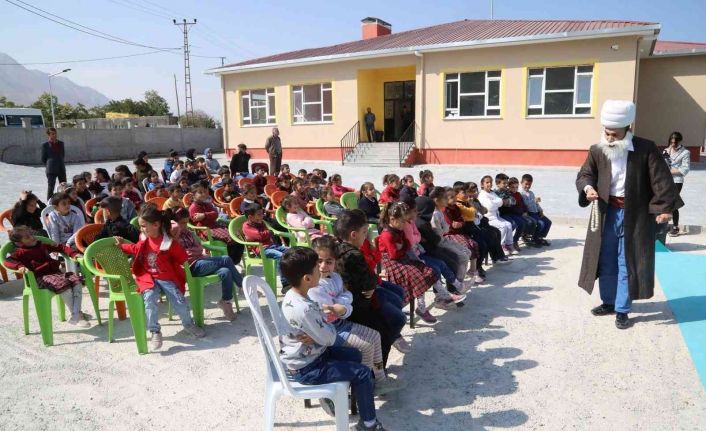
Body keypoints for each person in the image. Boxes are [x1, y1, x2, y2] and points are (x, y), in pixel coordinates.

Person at [576, 100, 683, 330]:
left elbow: (661, 180)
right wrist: (587, 188)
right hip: (606, 212)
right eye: (607, 133)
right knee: (605, 260)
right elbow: (585, 174)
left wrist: (664, 208)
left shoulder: (646, 148)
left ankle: (622, 309)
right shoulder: (597, 149)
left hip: (635, 214)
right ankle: (608, 301)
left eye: (614, 134)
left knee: (627, 261)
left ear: (627, 129)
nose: (610, 138)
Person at [278, 247, 387, 431]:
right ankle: (369, 424)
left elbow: (322, 328)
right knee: (362, 372)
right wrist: (321, 328)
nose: (320, 269)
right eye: (316, 267)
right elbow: (329, 336)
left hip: (312, 354)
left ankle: (349, 398)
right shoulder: (305, 308)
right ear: (307, 278)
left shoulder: (293, 295)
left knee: (357, 355)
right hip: (307, 367)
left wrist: (317, 331)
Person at [308, 236, 402, 394]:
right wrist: (342, 304)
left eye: (329, 262)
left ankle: (379, 380)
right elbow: (332, 309)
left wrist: (342, 304)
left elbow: (346, 298)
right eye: (319, 261)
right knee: (366, 346)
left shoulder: (336, 278)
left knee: (375, 336)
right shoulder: (314, 286)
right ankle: (363, 386)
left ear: (336, 262)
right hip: (329, 330)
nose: (323, 266)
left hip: (340, 322)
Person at [115, 204, 206, 351]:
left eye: (144, 226)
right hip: (148, 278)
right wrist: (122, 245)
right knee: (149, 300)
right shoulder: (144, 240)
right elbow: (135, 248)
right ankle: (155, 331)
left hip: (167, 278)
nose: (141, 229)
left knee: (179, 301)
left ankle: (188, 325)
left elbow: (182, 257)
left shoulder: (168, 243)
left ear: (156, 224)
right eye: (141, 226)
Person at [334, 210, 408, 360]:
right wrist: (373, 282)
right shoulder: (354, 254)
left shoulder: (337, 248)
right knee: (396, 322)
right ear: (353, 234)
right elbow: (368, 282)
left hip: (355, 299)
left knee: (396, 301)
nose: (366, 236)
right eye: (364, 232)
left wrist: (372, 282)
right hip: (359, 304)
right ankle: (379, 362)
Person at [5, 226, 90, 328]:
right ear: (19, 243)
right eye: (27, 237)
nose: (32, 237)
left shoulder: (41, 245)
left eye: (31, 234)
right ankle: (77, 315)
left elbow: (61, 247)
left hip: (57, 274)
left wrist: (73, 254)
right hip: (41, 278)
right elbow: (7, 261)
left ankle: (76, 314)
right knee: (64, 286)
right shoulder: (20, 252)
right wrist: (19, 266)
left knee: (76, 281)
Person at [377, 202, 443, 324]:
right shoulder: (387, 235)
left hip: (404, 258)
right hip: (393, 263)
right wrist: (402, 247)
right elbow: (394, 255)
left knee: (429, 271)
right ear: (392, 219)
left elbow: (407, 244)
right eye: (402, 221)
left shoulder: (399, 230)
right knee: (418, 277)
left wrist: (402, 246)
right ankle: (418, 309)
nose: (404, 224)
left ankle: (426, 305)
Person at [171, 208, 241, 321]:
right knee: (226, 259)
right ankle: (243, 286)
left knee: (226, 272)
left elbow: (199, 246)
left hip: (201, 261)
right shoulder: (173, 237)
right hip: (191, 267)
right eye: (182, 223)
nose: (185, 225)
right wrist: (196, 250)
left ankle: (225, 301)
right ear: (174, 223)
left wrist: (195, 250)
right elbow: (186, 254)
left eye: (186, 222)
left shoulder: (189, 233)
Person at [189, 183, 244, 265]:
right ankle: (230, 262)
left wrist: (204, 215)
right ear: (193, 195)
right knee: (231, 238)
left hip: (215, 226)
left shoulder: (207, 204)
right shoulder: (193, 207)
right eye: (200, 192)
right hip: (205, 231)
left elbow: (215, 214)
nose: (204, 194)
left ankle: (234, 261)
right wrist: (209, 215)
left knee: (237, 236)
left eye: (204, 191)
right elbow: (199, 220)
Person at [241, 203, 289, 291]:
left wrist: (266, 233)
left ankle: (294, 277)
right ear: (251, 217)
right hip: (261, 250)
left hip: (271, 246)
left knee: (292, 251)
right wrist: (269, 233)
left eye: (262, 213)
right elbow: (260, 236)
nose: (262, 216)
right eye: (259, 214)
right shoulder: (246, 226)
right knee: (281, 256)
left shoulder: (261, 222)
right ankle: (285, 283)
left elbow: (262, 235)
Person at [662, 131, 690, 236]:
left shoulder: (685, 152)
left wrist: (670, 171)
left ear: (679, 142)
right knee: (664, 202)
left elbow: (685, 169)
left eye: (675, 143)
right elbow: (662, 164)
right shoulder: (666, 151)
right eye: (671, 142)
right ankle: (663, 225)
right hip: (665, 180)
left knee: (673, 203)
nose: (673, 144)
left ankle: (675, 227)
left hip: (677, 180)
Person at [478, 175, 514, 256]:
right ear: (482, 184)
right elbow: (490, 207)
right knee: (503, 227)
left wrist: (495, 202)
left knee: (508, 224)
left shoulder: (492, 193)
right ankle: (501, 245)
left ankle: (509, 244)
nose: (489, 184)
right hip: (489, 218)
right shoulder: (482, 195)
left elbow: (499, 202)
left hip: (496, 216)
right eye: (487, 182)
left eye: (490, 182)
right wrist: (497, 202)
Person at [520, 174, 551, 246]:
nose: (527, 186)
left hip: (536, 212)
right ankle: (534, 238)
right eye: (526, 184)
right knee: (541, 223)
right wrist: (533, 200)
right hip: (530, 213)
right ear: (521, 183)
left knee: (548, 222)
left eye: (529, 184)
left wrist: (540, 210)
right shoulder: (521, 193)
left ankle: (540, 237)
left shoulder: (531, 193)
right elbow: (525, 204)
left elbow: (536, 204)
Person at [41, 128, 66, 200]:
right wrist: (49, 165)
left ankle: (63, 200)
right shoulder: (45, 145)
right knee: (51, 186)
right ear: (48, 135)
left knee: (63, 185)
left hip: (61, 168)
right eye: (52, 134)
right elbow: (43, 158)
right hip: (51, 169)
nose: (54, 135)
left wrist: (60, 163)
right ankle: (49, 201)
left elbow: (62, 155)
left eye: (55, 133)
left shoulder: (61, 143)